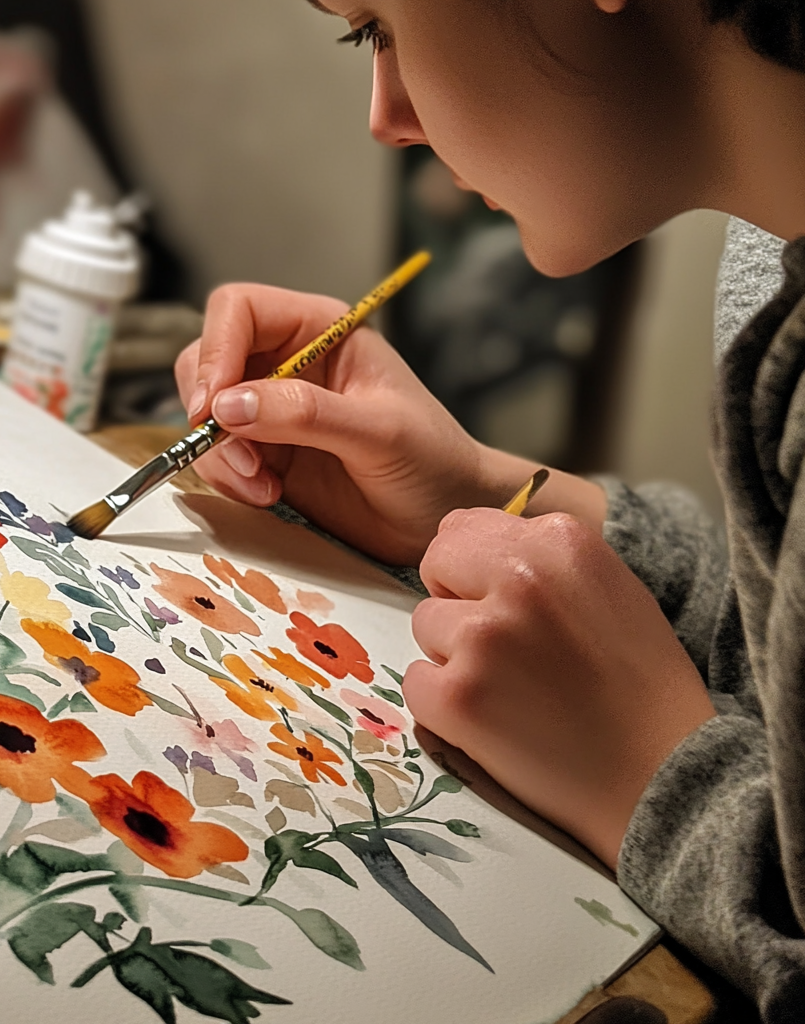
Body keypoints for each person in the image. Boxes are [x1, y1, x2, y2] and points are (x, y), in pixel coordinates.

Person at [174, 1, 805, 1019]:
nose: (384, 116)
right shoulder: (770, 259)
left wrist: (643, 767)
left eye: (375, 27)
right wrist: (467, 493)